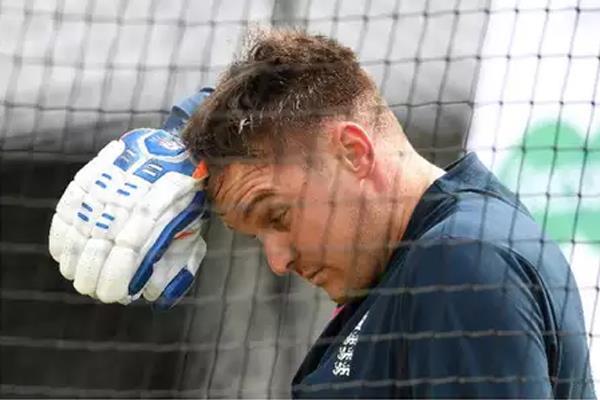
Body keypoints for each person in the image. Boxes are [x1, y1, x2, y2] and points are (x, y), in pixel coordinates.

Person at [49, 28, 595, 398]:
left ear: (354, 152)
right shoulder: (419, 264)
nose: (279, 261)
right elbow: (285, 89)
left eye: (277, 216)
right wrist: (183, 142)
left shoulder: (459, 265)